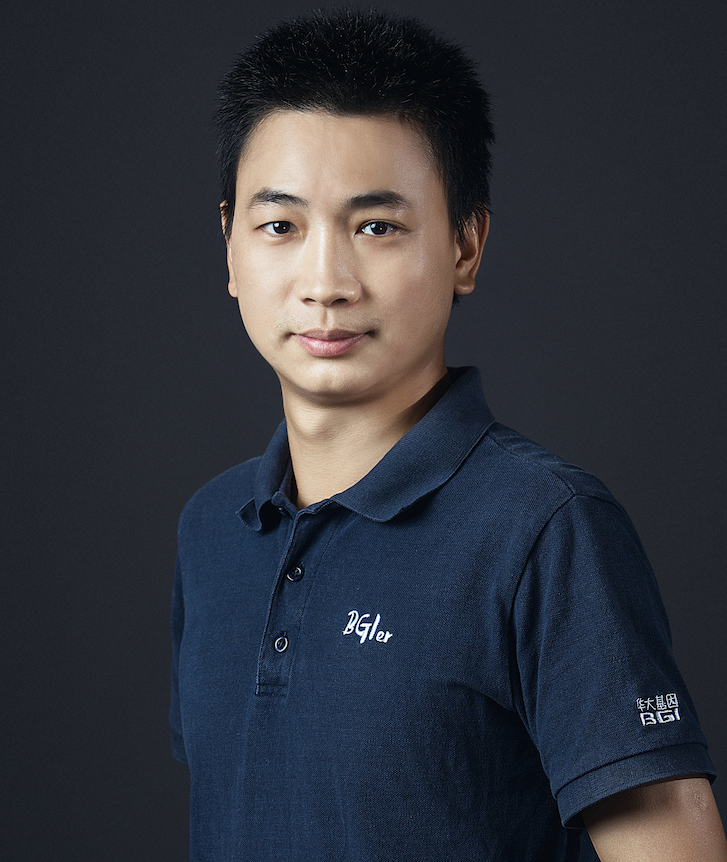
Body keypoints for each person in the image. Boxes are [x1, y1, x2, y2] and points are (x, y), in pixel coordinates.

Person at [170, 9, 726, 860]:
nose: (326, 282)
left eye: (377, 226)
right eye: (281, 225)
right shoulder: (212, 530)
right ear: (230, 248)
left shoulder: (545, 529)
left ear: (466, 246)